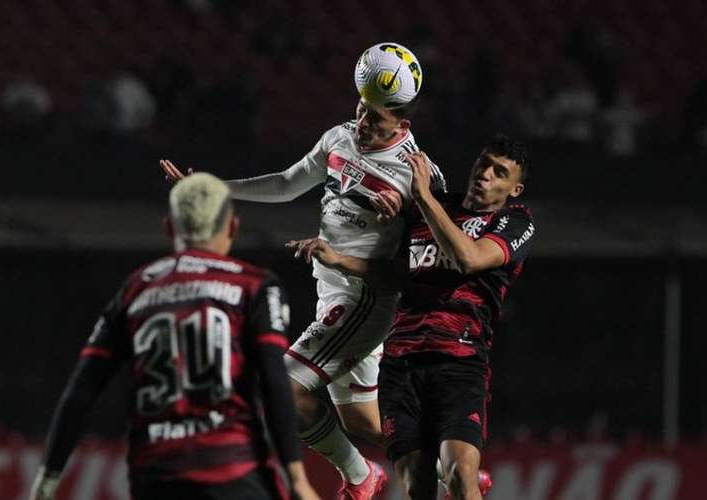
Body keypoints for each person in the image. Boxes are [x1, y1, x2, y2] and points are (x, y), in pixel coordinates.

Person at [161, 42, 445, 500]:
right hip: (331, 293)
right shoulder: (339, 138)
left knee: (287, 388)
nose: (363, 123)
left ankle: (360, 477)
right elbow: (288, 183)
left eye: (376, 118)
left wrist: (411, 217)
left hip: (365, 299)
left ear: (403, 122)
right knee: (362, 421)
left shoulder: (418, 174)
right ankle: (453, 468)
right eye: (360, 109)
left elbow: (435, 255)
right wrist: (212, 187)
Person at [29, 174, 319, 500]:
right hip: (234, 470)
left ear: (169, 228)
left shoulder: (136, 290)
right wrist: (296, 477)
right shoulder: (253, 286)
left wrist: (46, 481)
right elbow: (273, 379)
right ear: (233, 228)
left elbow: (80, 391)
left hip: (156, 476)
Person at [292, 135, 533, 499]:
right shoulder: (430, 210)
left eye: (499, 173)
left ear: (514, 189)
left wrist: (422, 197)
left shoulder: (514, 222)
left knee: (459, 475)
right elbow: (395, 272)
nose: (485, 174)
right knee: (418, 488)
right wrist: (340, 259)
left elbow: (469, 258)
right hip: (400, 365)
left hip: (459, 362)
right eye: (484, 163)